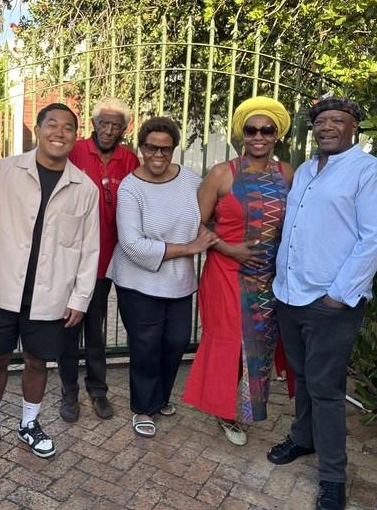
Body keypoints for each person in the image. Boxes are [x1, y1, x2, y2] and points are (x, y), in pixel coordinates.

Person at [268, 97, 377, 510]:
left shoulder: (369, 172)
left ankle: (333, 478)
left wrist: (338, 296)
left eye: (337, 120)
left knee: (326, 389)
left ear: (353, 127)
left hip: (330, 303)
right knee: (304, 379)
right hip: (290, 295)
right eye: (321, 121)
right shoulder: (306, 170)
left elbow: (376, 237)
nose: (327, 127)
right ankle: (304, 439)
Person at [0, 102, 99, 461]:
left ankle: (29, 423)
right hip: (2, 290)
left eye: (68, 127)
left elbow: (90, 249)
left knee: (38, 363)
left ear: (76, 136)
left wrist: (80, 298)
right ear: (37, 130)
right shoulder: (4, 172)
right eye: (51, 124)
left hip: (51, 295)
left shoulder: (84, 188)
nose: (59, 132)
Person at [183, 96, 294, 446]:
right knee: (231, 342)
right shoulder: (221, 174)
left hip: (268, 279)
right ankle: (225, 410)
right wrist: (229, 248)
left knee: (260, 344)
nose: (258, 136)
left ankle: (247, 406)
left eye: (267, 129)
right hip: (226, 274)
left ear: (277, 135)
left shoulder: (287, 174)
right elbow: (194, 226)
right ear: (242, 134)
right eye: (251, 129)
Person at [110, 116, 218, 438]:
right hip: (138, 282)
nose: (158, 155)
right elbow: (132, 245)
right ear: (141, 147)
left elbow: (207, 214)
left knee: (175, 342)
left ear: (174, 149)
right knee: (146, 346)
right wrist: (189, 248)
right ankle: (143, 407)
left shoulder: (191, 180)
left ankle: (160, 397)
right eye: (151, 148)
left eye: (166, 149)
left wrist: (207, 237)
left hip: (179, 281)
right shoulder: (131, 188)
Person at [58, 96, 139, 422]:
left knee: (95, 327)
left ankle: (97, 388)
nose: (108, 130)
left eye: (115, 125)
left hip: (105, 261)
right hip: (68, 257)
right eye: (103, 123)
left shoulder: (129, 159)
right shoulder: (74, 151)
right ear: (93, 123)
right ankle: (68, 390)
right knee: (67, 327)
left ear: (124, 128)